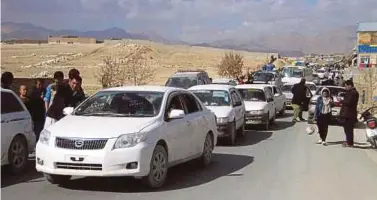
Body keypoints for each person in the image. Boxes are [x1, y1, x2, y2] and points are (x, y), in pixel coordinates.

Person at [339, 80, 359, 147]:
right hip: (347, 114)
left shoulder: (353, 93)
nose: (345, 88)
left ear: (350, 85)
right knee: (347, 129)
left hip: (349, 114)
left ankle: (350, 143)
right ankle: (348, 141)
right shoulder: (350, 92)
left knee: (349, 129)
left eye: (346, 86)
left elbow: (349, 102)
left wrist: (341, 101)